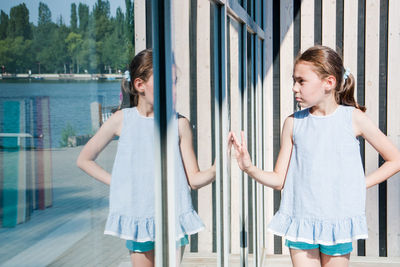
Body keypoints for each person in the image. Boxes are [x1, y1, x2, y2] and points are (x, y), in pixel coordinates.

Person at [228, 45, 400, 267]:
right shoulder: (293, 123)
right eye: (294, 80)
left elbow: (394, 159)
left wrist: (360, 183)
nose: (294, 88)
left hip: (338, 223)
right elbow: (280, 180)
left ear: (329, 83)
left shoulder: (354, 119)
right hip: (301, 222)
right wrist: (249, 168)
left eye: (301, 81)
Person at [77, 49, 216, 267]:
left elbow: (194, 179)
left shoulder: (179, 124)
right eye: (165, 82)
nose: (174, 90)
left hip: (172, 217)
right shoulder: (121, 120)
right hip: (138, 218)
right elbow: (84, 159)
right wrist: (118, 183)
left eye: (175, 82)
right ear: (139, 85)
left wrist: (220, 167)